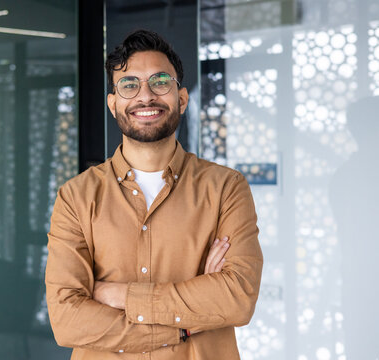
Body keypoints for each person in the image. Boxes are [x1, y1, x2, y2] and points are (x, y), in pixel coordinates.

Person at [45, 29, 263, 359]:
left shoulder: (226, 188)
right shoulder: (76, 197)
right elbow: (67, 320)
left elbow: (238, 298)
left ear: (182, 98)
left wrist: (117, 295)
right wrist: (184, 325)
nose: (145, 96)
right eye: (129, 85)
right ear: (113, 103)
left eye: (160, 82)